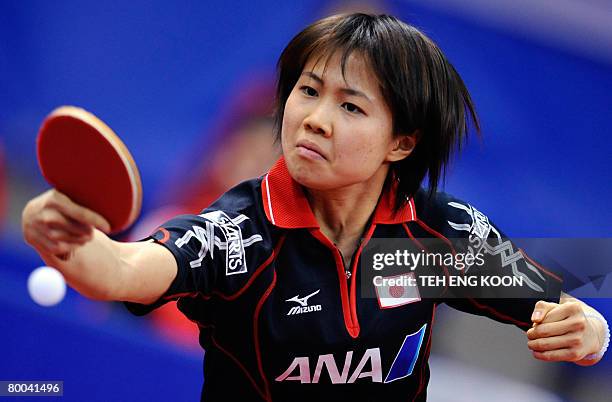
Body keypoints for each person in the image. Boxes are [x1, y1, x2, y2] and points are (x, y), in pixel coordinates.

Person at [21, 13, 608, 402]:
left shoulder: (435, 238)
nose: (315, 119)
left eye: (350, 107)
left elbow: (561, 313)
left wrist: (590, 330)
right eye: (307, 90)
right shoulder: (246, 236)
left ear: (402, 142)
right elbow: (123, 271)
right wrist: (67, 239)